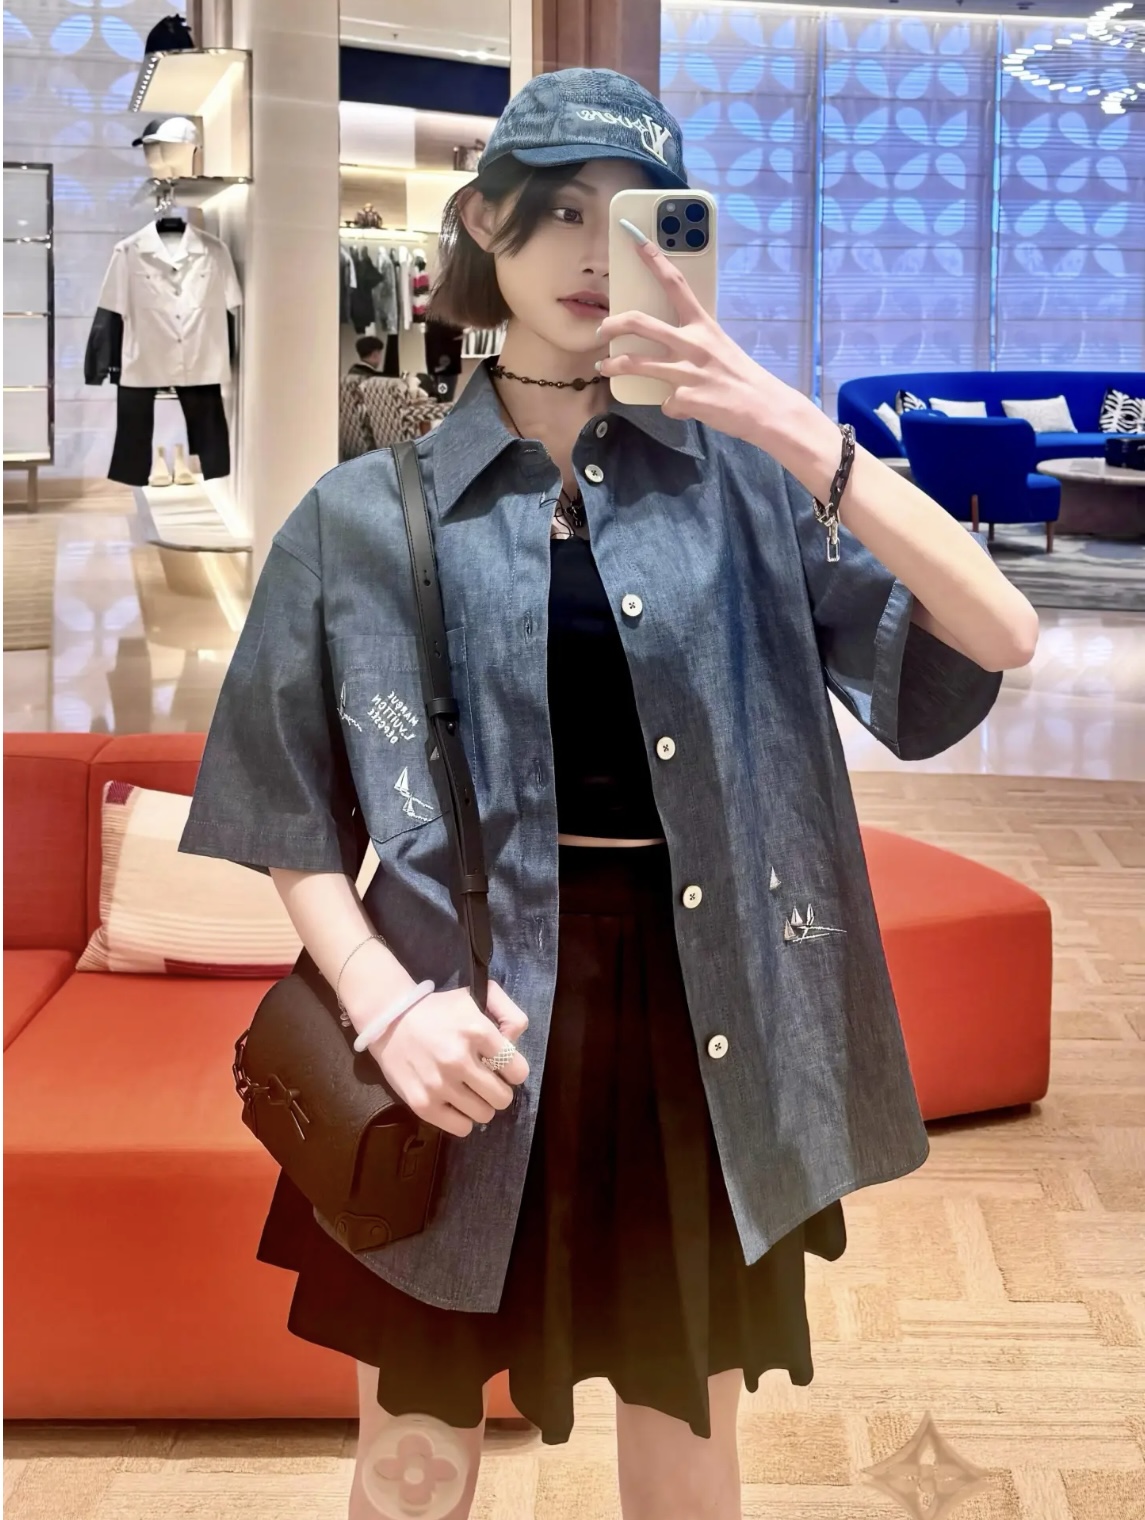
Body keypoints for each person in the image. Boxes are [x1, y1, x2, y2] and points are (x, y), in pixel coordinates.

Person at [179, 67, 1038, 1520]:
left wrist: (787, 423)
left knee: (687, 1445)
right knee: (411, 1455)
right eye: (563, 210)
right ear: (485, 225)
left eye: (638, 220)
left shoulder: (743, 489)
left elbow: (999, 634)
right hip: (455, 1028)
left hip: (695, 1030)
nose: (596, 253)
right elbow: (288, 811)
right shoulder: (361, 514)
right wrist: (387, 1008)